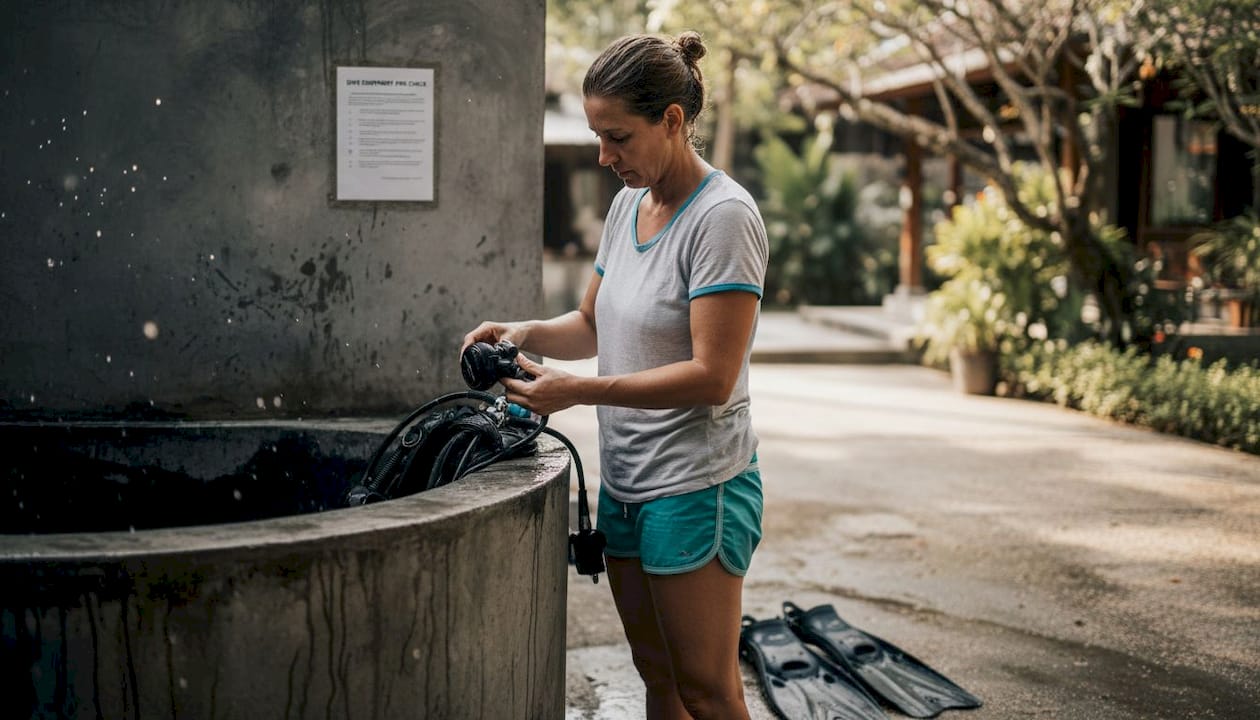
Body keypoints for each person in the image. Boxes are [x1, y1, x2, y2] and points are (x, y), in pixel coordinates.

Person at [462, 31, 767, 720]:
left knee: (708, 690)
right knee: (658, 677)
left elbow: (712, 376)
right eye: (598, 135)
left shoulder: (722, 219)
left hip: (695, 487)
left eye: (618, 137)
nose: (604, 156)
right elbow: (594, 324)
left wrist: (578, 391)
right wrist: (521, 332)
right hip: (627, 483)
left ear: (673, 121)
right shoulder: (630, 204)